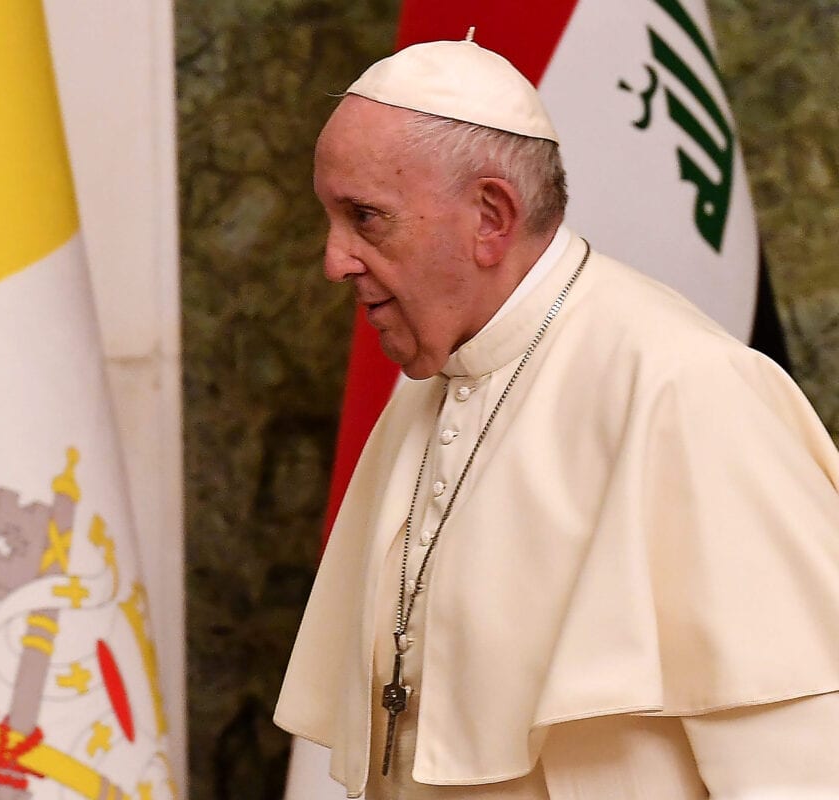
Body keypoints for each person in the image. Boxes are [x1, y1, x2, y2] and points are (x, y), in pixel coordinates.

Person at [274, 37, 839, 799]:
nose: (334, 260)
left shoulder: (688, 389)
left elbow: (802, 770)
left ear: (490, 216)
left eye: (365, 218)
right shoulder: (431, 383)